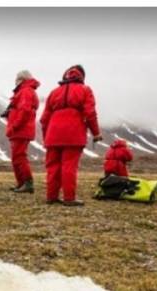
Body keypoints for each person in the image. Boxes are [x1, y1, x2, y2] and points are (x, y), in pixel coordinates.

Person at [39, 65, 102, 205]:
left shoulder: (54, 92)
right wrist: (96, 133)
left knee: (52, 166)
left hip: (53, 135)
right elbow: (90, 113)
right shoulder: (85, 90)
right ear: (82, 77)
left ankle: (51, 197)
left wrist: (46, 137)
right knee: (69, 166)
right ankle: (69, 198)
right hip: (74, 133)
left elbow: (44, 120)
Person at [4, 70, 40, 193]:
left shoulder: (25, 91)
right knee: (16, 157)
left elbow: (24, 111)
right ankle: (21, 183)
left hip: (21, 130)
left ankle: (28, 183)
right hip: (20, 130)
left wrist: (14, 126)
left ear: (22, 79)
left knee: (19, 156)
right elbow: (21, 109)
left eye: (17, 79)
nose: (15, 81)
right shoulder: (24, 91)